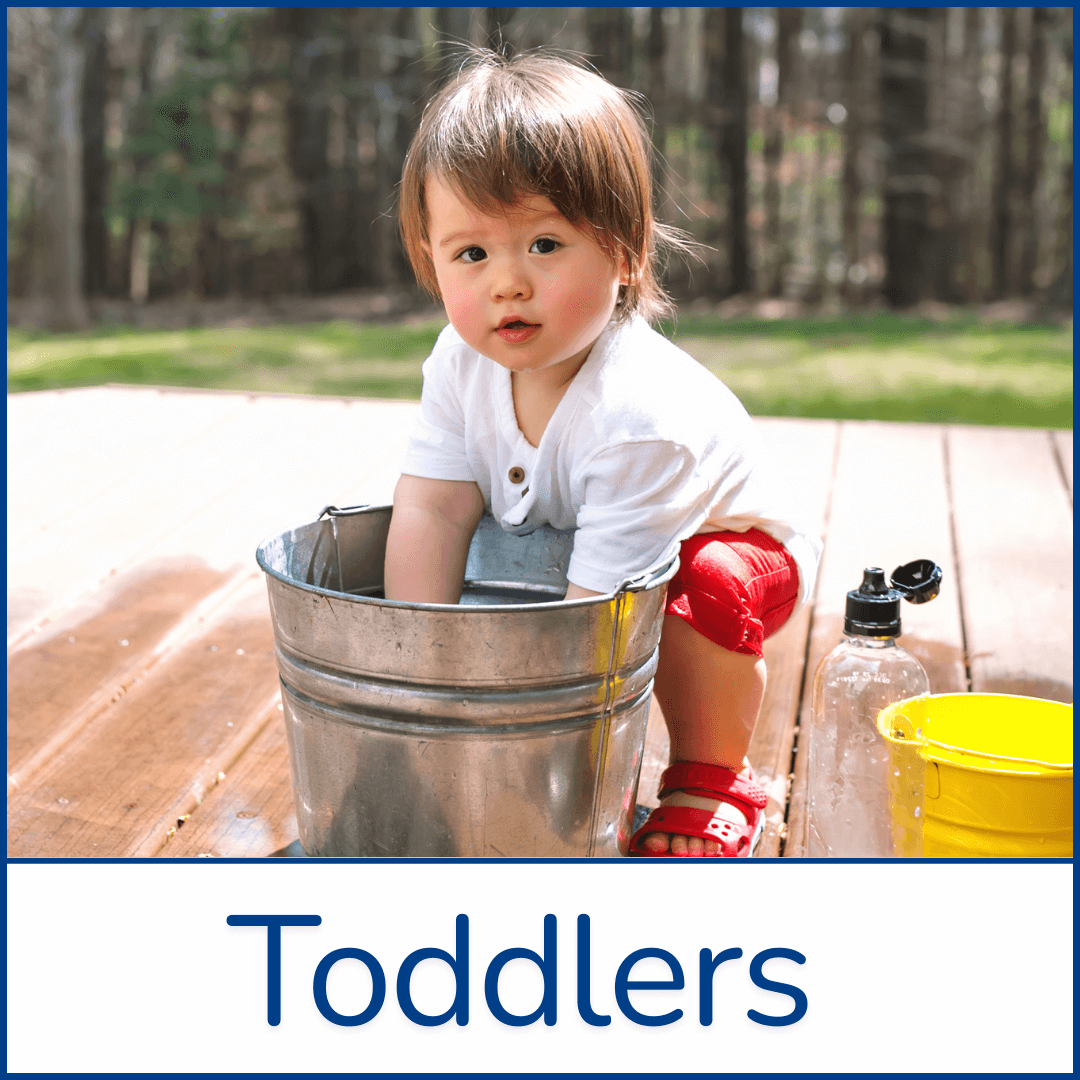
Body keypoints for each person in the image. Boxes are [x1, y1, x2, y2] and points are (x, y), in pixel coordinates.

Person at [383, 49, 821, 857]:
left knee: (706, 584)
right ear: (430, 258)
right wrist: (421, 668)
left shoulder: (639, 412)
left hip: (733, 561)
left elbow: (597, 621)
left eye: (544, 245)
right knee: (466, 542)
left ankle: (711, 778)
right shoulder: (457, 358)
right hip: (588, 550)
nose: (506, 283)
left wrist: (540, 762)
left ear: (623, 253)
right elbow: (432, 506)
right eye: (471, 254)